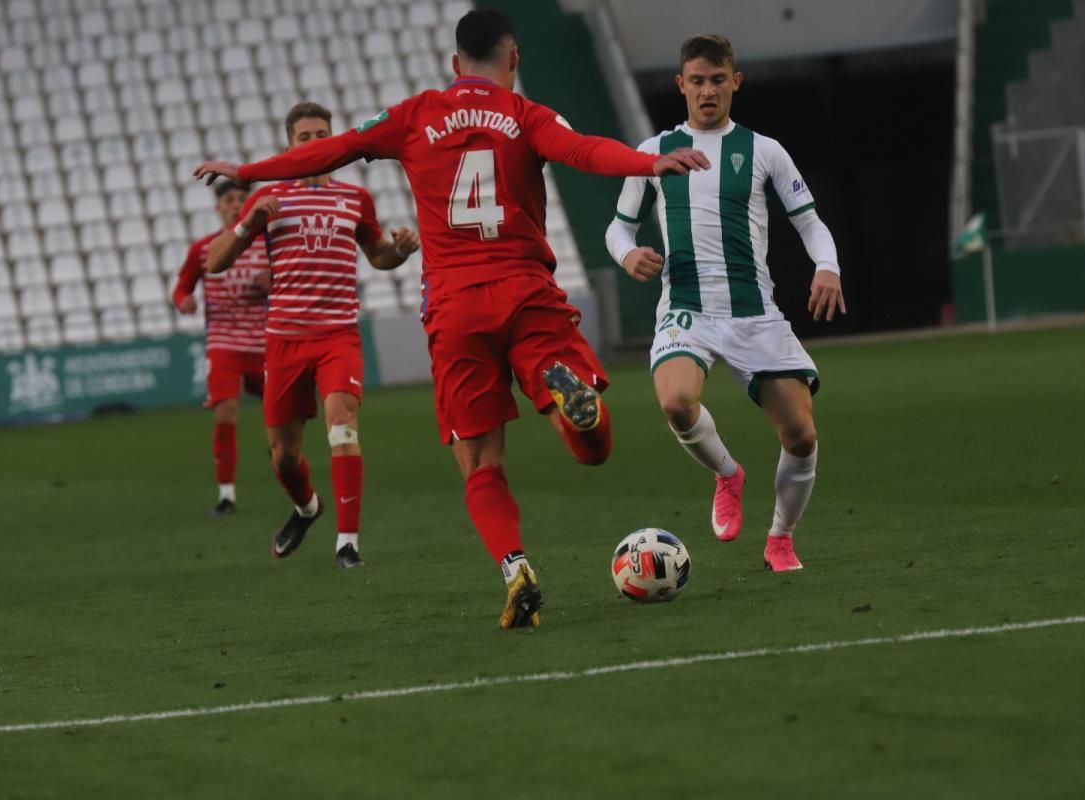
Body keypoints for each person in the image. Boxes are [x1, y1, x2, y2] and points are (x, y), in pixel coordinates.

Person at [194, 9, 708, 627]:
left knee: (481, 462)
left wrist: (246, 172)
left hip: (454, 307)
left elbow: (333, 150)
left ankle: (515, 566)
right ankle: (577, 407)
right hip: (525, 292)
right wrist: (645, 162)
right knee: (593, 451)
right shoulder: (526, 115)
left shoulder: (415, 114)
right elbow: (581, 150)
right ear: (513, 60)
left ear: (453, 64)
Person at [604, 34, 846, 572]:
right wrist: (628, 257)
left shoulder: (764, 151)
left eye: (717, 80)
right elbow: (617, 230)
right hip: (686, 309)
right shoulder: (653, 152)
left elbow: (809, 221)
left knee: (801, 436)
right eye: (697, 81)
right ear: (681, 85)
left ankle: (781, 539)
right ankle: (727, 474)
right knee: (675, 402)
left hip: (753, 311)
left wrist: (827, 266)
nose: (707, 91)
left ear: (735, 82)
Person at [203, 102, 421, 569]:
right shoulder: (269, 199)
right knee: (284, 456)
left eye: (324, 133)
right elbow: (215, 263)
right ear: (290, 145)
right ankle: (307, 508)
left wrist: (398, 252)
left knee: (342, 423)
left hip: (337, 334)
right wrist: (247, 223)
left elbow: (377, 255)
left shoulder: (355, 199)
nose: (317, 141)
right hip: (283, 339)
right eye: (306, 136)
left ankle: (348, 543)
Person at [171, 179, 270, 516]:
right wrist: (184, 301)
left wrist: (273, 282)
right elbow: (181, 288)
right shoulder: (203, 249)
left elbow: (291, 283)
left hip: (265, 344)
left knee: (282, 416)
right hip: (224, 343)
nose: (235, 203)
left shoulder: (266, 243)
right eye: (229, 198)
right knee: (225, 412)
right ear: (218, 207)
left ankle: (288, 468)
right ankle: (226, 495)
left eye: (241, 198)